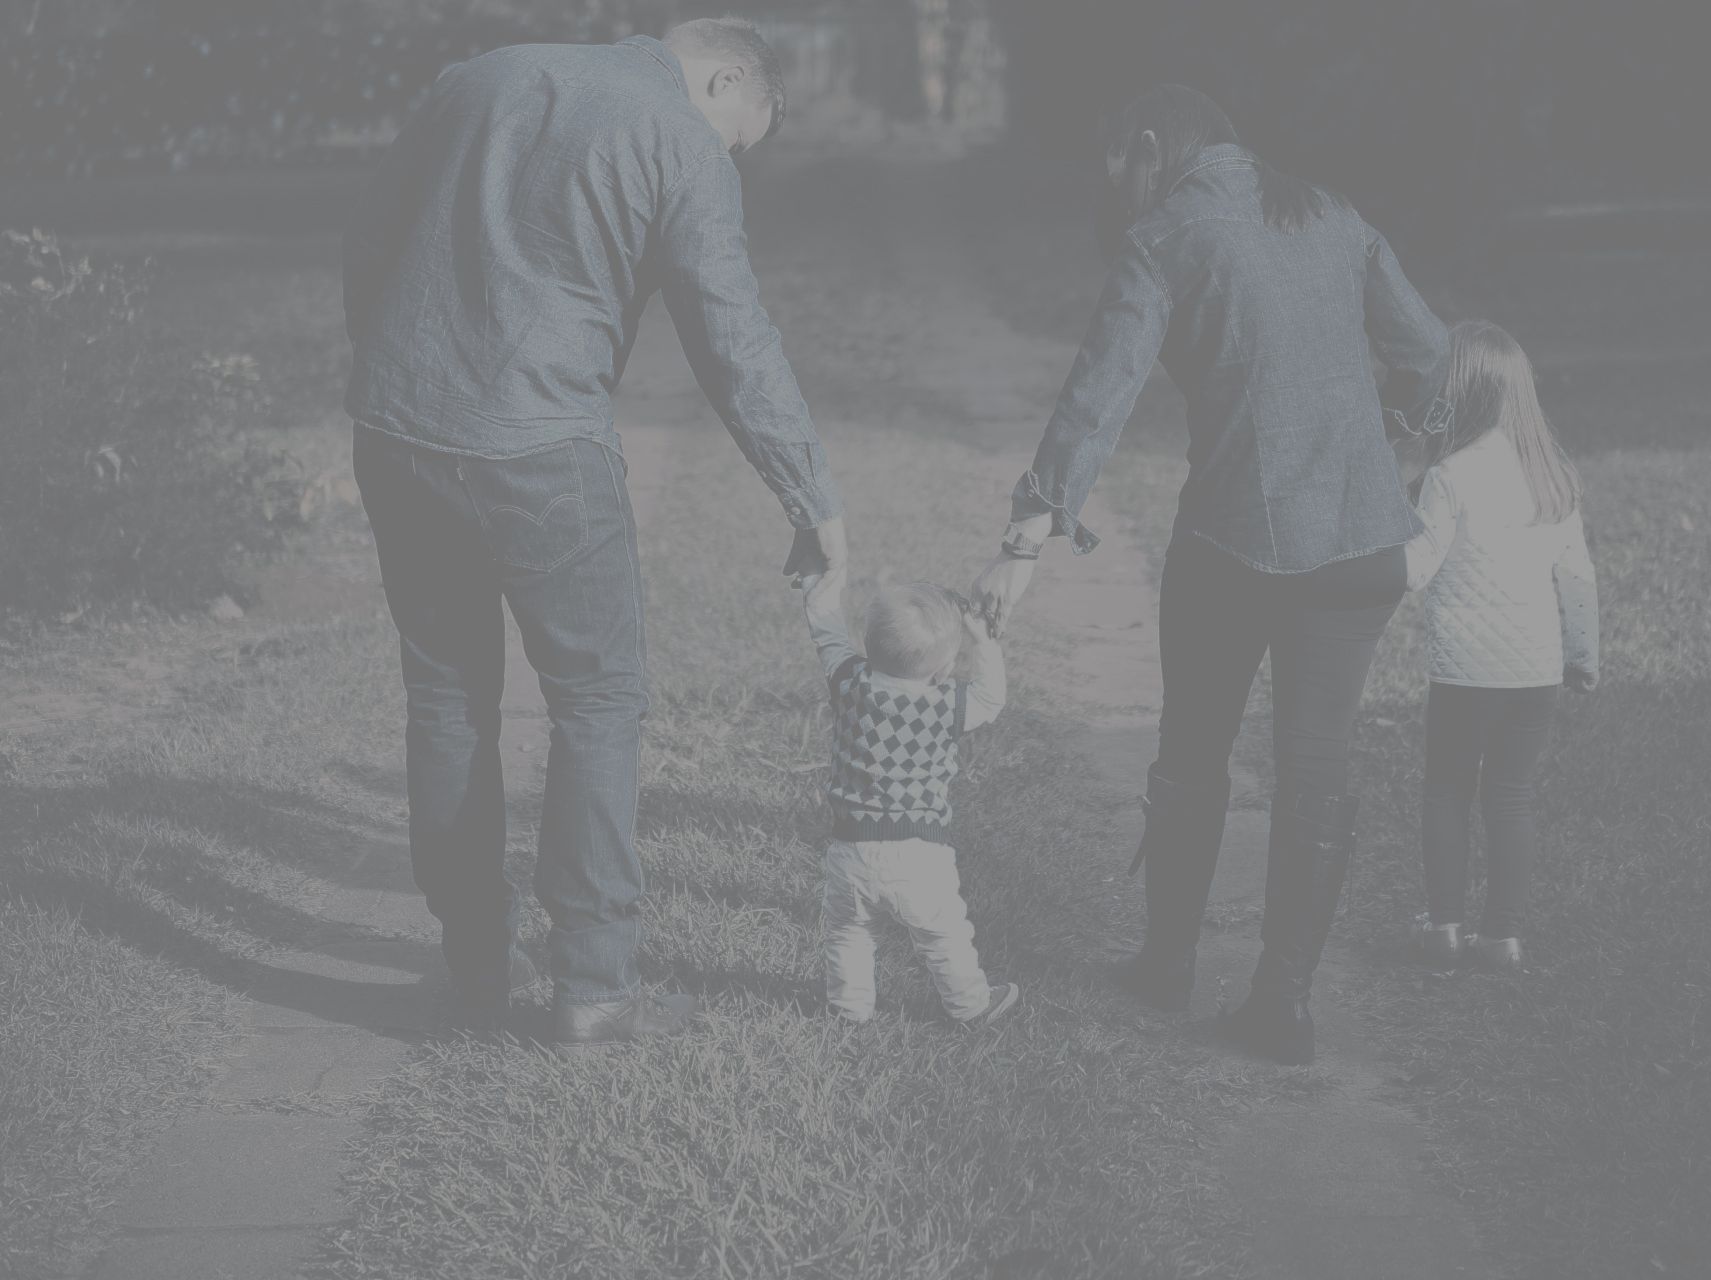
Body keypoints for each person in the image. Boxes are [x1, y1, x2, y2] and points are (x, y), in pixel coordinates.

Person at [342, 18, 849, 1050]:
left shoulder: (479, 75)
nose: (729, 155)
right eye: (739, 136)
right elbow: (732, 337)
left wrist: (390, 372)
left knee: (446, 694)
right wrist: (812, 499)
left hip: (397, 429)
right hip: (541, 447)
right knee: (598, 701)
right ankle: (596, 984)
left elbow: (369, 236)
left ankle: (476, 959)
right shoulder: (681, 141)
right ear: (723, 76)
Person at [971, 85, 1450, 1065]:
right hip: (1362, 546)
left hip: (1233, 543)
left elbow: (1097, 398)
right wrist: (1386, 432)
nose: (1116, 189)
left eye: (1117, 167)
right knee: (1317, 768)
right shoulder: (1332, 212)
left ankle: (1167, 964)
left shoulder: (1164, 234)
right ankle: (1285, 1003)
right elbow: (1432, 355)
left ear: (1151, 148)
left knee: (1193, 750)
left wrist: (1022, 544)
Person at [1402, 320, 1599, 975]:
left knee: (1447, 792)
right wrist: (1582, 657)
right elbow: (1577, 576)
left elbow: (1415, 569)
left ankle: (1443, 931)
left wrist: (1375, 543)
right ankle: (1502, 941)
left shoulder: (1448, 477)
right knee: (1511, 795)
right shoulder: (1552, 476)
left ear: (1458, 393)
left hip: (1465, 671)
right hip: (1535, 672)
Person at [800, 569, 1020, 1026]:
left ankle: (848, 1008)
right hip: (920, 855)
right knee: (944, 936)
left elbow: (827, 635)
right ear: (943, 669)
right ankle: (970, 1005)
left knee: (848, 932)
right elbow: (991, 698)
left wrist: (820, 583)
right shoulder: (947, 705)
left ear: (869, 645)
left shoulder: (850, 683)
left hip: (851, 849)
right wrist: (983, 641)